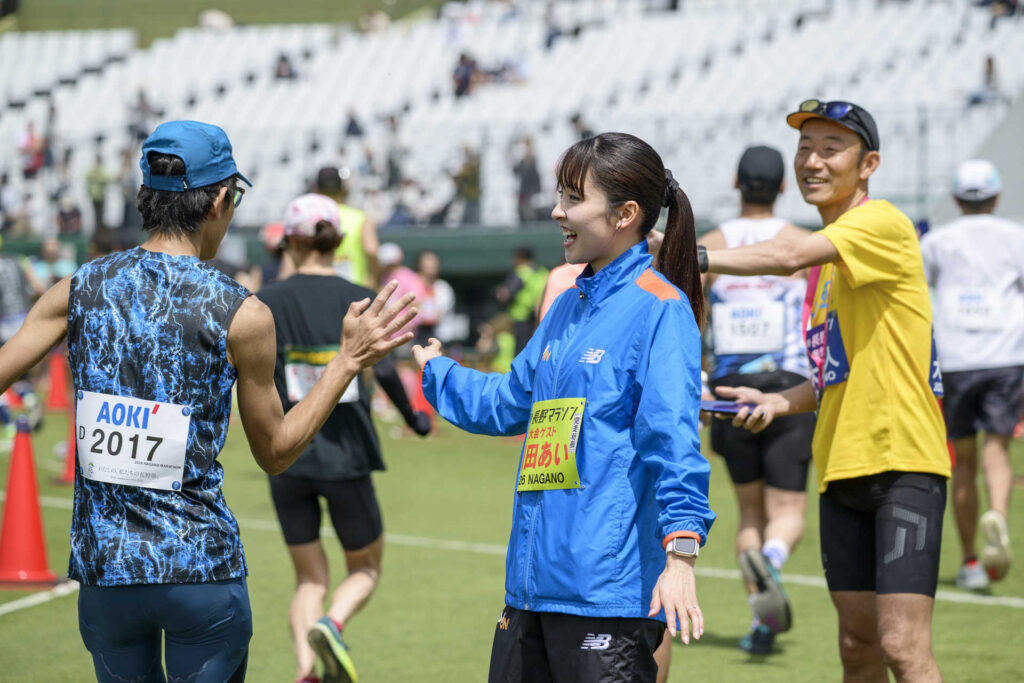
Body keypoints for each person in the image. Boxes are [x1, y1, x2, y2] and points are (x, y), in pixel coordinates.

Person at [0, 120, 416, 682]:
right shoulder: (242, 312)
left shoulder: (79, 288)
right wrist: (346, 362)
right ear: (220, 200)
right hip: (199, 568)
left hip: (105, 570)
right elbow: (276, 452)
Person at [413, 132, 714, 683]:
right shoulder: (565, 308)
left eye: (574, 198)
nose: (557, 211)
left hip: (604, 594)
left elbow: (672, 441)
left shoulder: (660, 309)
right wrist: (438, 370)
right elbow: (509, 404)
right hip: (531, 588)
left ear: (625, 214)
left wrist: (681, 556)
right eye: (559, 196)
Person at [702, 100, 949, 682]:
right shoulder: (829, 264)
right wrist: (776, 401)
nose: (812, 161)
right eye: (805, 148)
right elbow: (831, 373)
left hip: (902, 464)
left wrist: (694, 252)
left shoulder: (880, 223)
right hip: (839, 470)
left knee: (902, 648)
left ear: (869, 165)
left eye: (830, 149)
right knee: (857, 648)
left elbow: (786, 254)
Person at [257, 194, 431, 683]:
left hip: (287, 454)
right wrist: (414, 419)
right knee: (365, 569)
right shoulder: (358, 297)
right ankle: (332, 624)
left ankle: (306, 671)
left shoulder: (266, 302)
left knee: (309, 578)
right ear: (337, 242)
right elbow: (387, 370)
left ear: (290, 242)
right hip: (347, 454)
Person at [699, 145, 814, 655]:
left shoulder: (710, 245)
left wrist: (700, 385)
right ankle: (773, 558)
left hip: (728, 391)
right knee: (788, 510)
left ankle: (761, 623)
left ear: (735, 182)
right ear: (785, 186)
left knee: (749, 512)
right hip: (789, 386)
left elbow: (685, 317)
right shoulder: (803, 244)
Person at [919, 158, 1023, 591]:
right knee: (997, 450)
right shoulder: (1016, 236)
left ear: (955, 198)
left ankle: (970, 560)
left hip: (956, 358)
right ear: (996, 196)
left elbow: (919, 292)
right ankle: (996, 513)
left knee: (962, 461)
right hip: (1006, 355)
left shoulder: (936, 242)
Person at [318, 166, 380, 288]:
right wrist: (375, 282)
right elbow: (372, 250)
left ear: (316, 189)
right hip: (355, 290)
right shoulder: (360, 218)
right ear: (343, 188)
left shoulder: (310, 219)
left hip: (321, 288)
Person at [495, 247, 548, 354]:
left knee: (520, 352)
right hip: (540, 318)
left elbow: (505, 294)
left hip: (520, 319)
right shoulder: (543, 272)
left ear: (520, 257)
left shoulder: (521, 272)